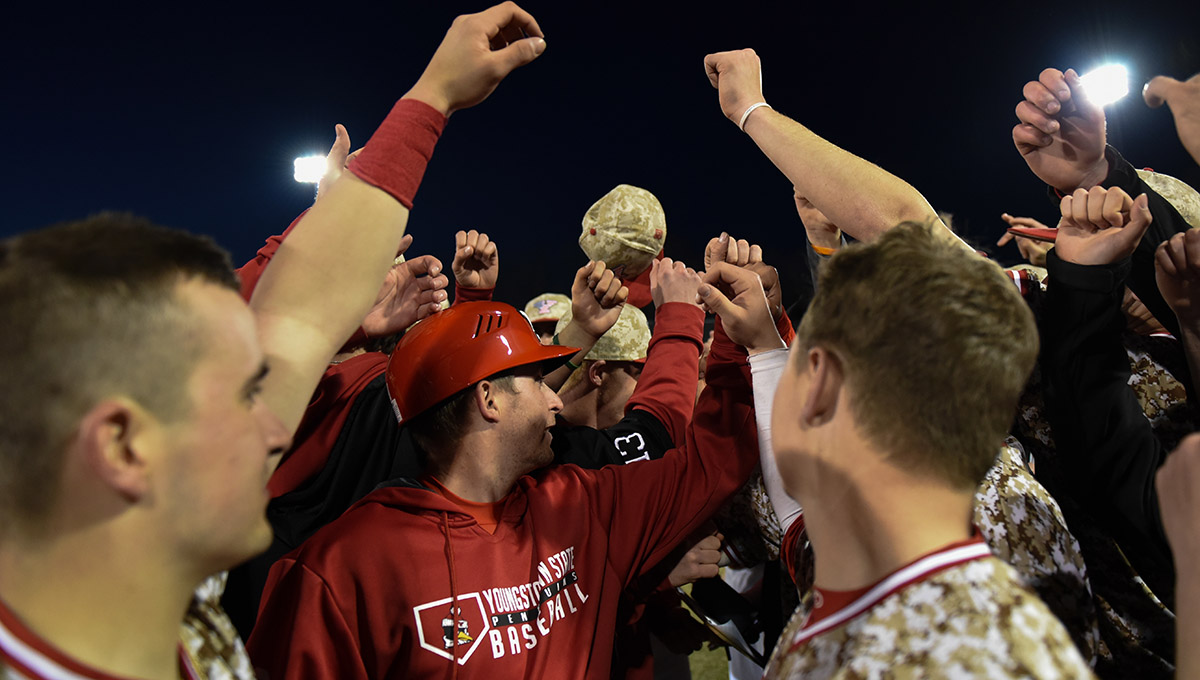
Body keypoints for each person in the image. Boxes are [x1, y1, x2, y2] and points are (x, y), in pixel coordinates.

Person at [0, 4, 547, 678]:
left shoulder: (144, 577)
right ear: (121, 446)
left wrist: (432, 96)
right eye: (240, 397)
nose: (274, 430)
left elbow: (298, 321)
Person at [246, 257, 778, 678]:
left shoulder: (583, 503)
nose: (554, 402)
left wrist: (739, 340)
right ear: (488, 400)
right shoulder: (338, 570)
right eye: (533, 382)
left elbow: (713, 462)